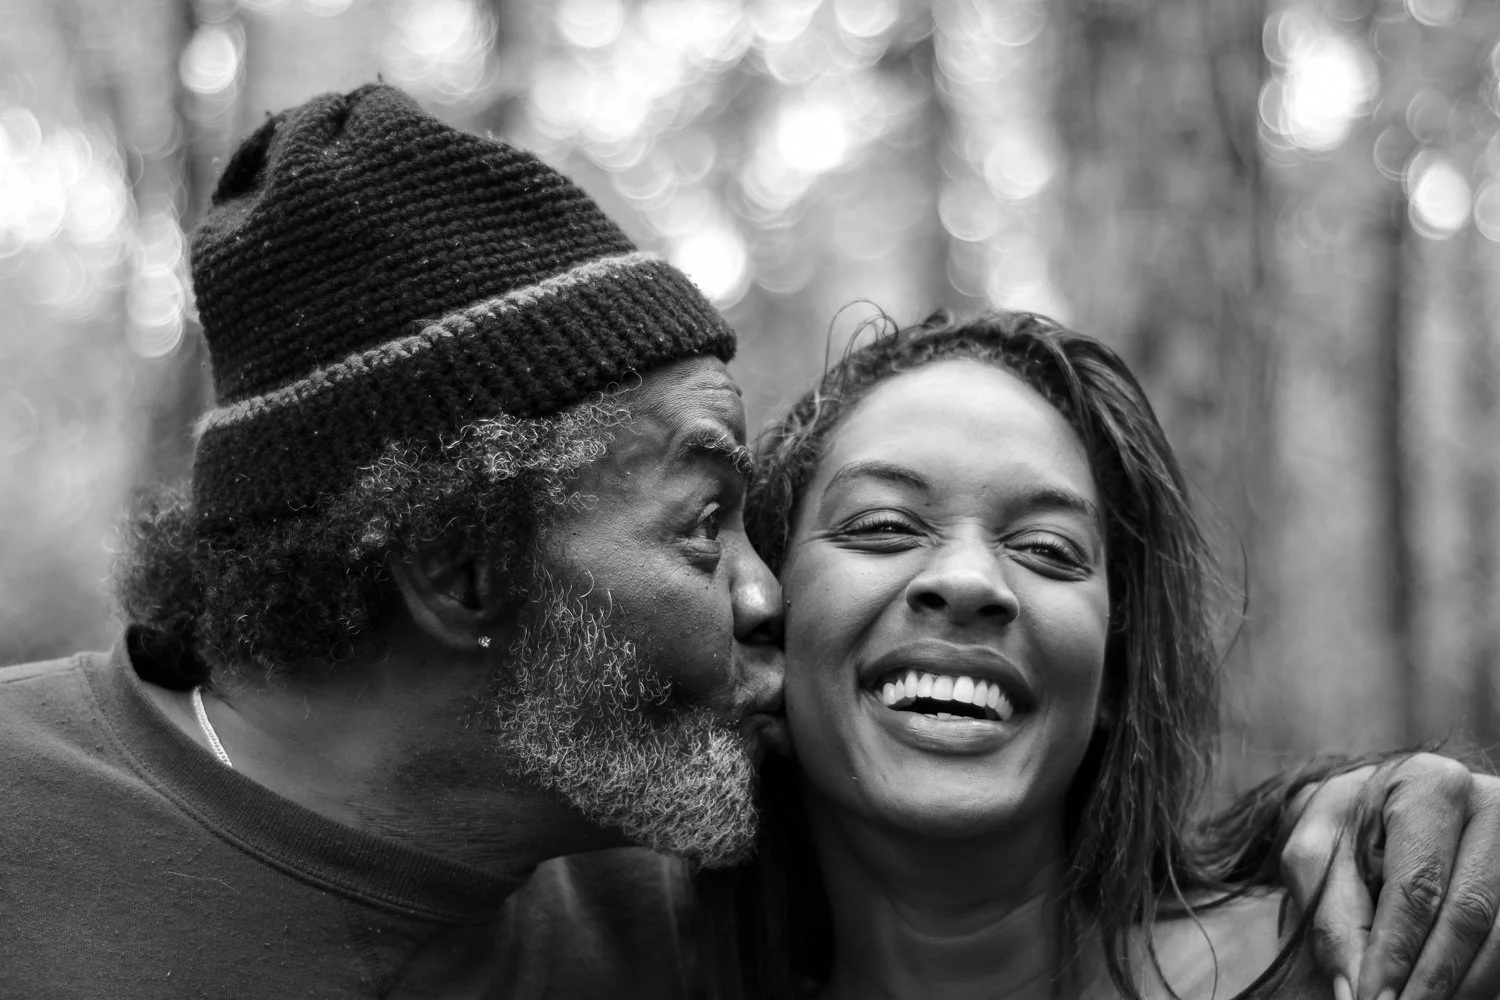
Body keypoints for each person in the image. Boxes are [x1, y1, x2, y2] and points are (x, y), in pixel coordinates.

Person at [0, 84, 1494, 999]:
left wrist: (1387, 816)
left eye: (1051, 547)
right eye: (708, 522)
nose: (766, 590)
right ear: (461, 572)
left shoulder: (653, 875)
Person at [700, 309, 1500, 1000]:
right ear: (766, 628)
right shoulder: (642, 964)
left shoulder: (1349, 962)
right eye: (882, 526)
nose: (971, 580)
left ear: (1116, 672)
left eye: (1048, 548)